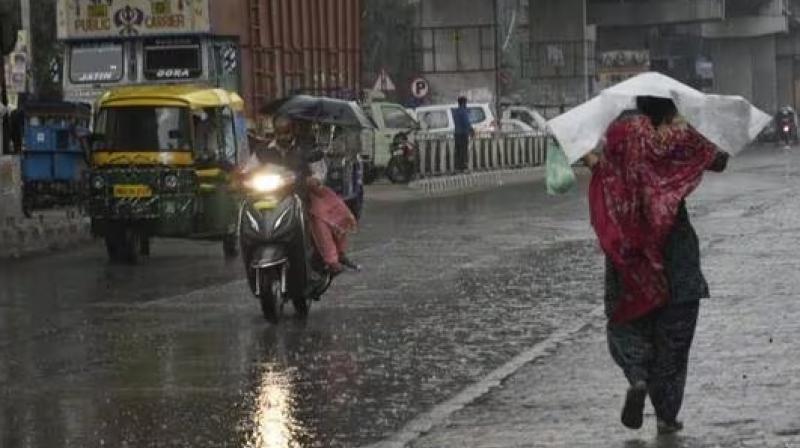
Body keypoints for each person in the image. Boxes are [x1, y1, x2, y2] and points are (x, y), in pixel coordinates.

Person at [583, 97, 729, 435]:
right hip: (675, 250)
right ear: (667, 112)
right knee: (675, 335)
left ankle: (637, 377)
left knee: (626, 321)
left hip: (630, 251)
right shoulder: (675, 141)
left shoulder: (618, 139)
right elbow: (719, 160)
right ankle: (666, 413)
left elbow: (598, 167)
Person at [245, 116, 358, 274]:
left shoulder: (306, 149)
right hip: (270, 196)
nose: (283, 136)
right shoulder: (263, 151)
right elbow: (249, 170)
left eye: (286, 132)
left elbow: (320, 171)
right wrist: (242, 178)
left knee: (319, 220)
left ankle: (331, 259)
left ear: (293, 131)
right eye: (279, 132)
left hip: (301, 195)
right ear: (274, 132)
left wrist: (314, 179)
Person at [453, 96, 474, 172]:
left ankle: (457, 167)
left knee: (458, 150)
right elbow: (466, 122)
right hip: (463, 134)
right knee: (463, 150)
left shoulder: (456, 112)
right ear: (463, 103)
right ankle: (463, 167)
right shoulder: (463, 112)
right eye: (465, 102)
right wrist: (471, 130)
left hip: (456, 133)